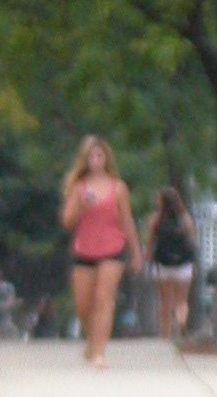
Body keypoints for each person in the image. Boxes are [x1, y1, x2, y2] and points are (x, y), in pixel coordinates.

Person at [59, 136, 142, 366]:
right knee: (83, 305)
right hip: (84, 249)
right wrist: (80, 206)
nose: (95, 160)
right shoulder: (78, 187)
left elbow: (127, 221)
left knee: (104, 301)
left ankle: (99, 352)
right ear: (84, 160)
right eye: (90, 156)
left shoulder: (118, 188)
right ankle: (91, 339)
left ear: (106, 158)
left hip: (112, 249)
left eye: (99, 155)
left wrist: (135, 252)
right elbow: (67, 221)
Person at [146, 187, 197, 340]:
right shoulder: (185, 219)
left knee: (164, 302)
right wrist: (193, 262)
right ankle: (180, 323)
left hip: (163, 265)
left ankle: (166, 335)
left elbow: (149, 242)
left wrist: (148, 257)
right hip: (183, 265)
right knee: (181, 301)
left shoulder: (156, 219)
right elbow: (191, 242)